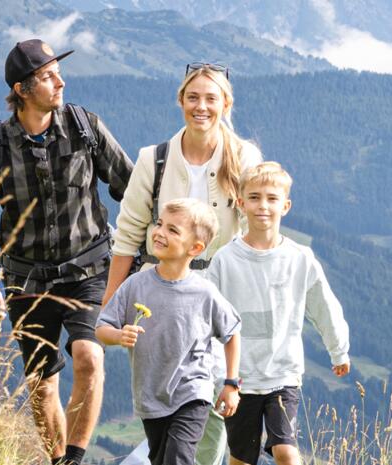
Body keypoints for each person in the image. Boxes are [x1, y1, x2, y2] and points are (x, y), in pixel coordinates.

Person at [0, 38, 134, 465]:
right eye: (48, 76)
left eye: (58, 72)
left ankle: (72, 457)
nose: (61, 81)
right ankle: (57, 460)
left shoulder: (84, 127)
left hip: (89, 269)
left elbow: (131, 187)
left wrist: (141, 258)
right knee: (42, 382)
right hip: (25, 280)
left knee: (89, 355)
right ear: (22, 89)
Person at [104, 63, 262, 465]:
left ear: (226, 104)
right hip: (156, 297)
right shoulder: (153, 159)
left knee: (203, 401)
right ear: (180, 101)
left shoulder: (244, 159)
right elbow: (127, 236)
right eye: (193, 97)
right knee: (162, 404)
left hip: (219, 292)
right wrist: (107, 313)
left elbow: (255, 232)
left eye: (211, 99)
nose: (201, 107)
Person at [204, 162, 351, 465]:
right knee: (241, 458)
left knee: (285, 450)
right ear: (241, 204)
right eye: (255, 198)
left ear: (285, 206)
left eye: (272, 199)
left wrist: (339, 350)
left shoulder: (300, 258)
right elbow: (208, 320)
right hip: (239, 378)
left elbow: (324, 305)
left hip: (283, 374)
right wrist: (221, 377)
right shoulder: (225, 261)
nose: (263, 206)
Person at [96, 198, 242, 465]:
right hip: (151, 396)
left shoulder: (204, 292)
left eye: (173, 230)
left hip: (193, 393)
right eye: (160, 224)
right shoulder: (135, 285)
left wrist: (231, 383)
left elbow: (232, 333)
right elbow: (102, 328)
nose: (160, 232)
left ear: (195, 248)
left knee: (177, 459)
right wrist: (118, 335)